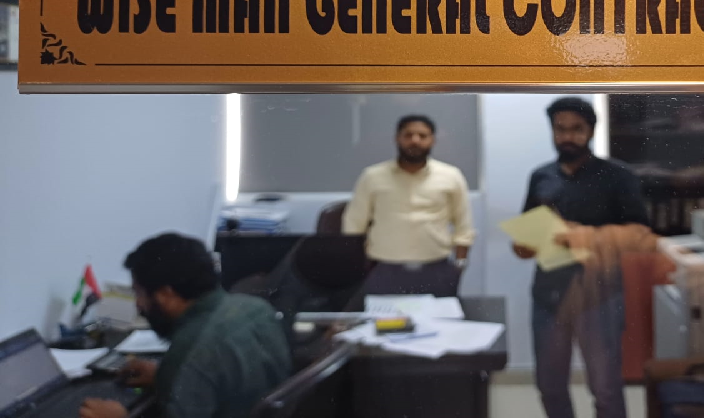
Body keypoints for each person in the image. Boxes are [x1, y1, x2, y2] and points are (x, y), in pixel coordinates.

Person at [513, 97, 651, 418]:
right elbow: (527, 236)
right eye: (560, 129)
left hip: (600, 293)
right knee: (549, 385)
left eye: (576, 129)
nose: (567, 137)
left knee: (605, 388)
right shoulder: (541, 176)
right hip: (549, 293)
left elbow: (639, 233)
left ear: (590, 131)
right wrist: (525, 244)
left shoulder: (618, 175)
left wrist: (583, 236)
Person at [79, 233, 291, 418]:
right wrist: (164, 377)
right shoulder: (257, 309)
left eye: (139, 293)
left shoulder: (190, 351)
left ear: (166, 294)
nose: (138, 305)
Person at [343, 114, 475, 297]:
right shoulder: (372, 177)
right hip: (384, 270)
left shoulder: (451, 176)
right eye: (408, 135)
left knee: (440, 316)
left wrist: (459, 265)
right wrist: (358, 267)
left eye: (422, 136)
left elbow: (464, 227)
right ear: (397, 138)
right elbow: (354, 226)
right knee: (382, 316)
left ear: (432, 140)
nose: (415, 140)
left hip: (437, 269)